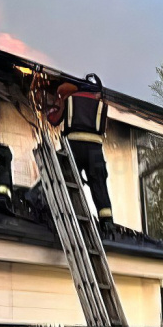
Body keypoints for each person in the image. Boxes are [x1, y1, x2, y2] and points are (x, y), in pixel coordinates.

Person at [47, 73, 114, 228]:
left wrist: (52, 110)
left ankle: (58, 211)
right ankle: (107, 221)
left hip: (74, 147)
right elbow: (102, 128)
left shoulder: (70, 99)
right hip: (95, 150)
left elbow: (55, 120)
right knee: (99, 183)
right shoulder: (102, 105)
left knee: (65, 178)